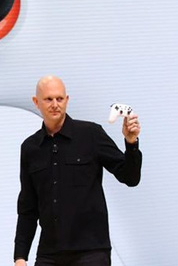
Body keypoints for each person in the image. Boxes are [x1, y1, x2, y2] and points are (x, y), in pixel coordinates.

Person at [13, 76, 142, 266]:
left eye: (59, 98)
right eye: (48, 99)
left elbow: (130, 177)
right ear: (36, 102)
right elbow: (27, 207)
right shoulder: (30, 148)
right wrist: (20, 257)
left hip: (91, 252)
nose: (55, 104)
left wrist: (131, 143)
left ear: (67, 100)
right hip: (49, 254)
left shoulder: (91, 134)